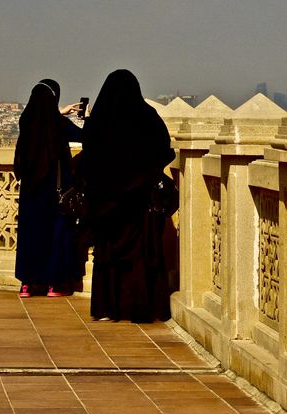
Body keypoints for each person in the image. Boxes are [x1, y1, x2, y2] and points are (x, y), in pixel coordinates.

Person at [82, 69, 175, 322]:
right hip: (138, 200)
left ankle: (107, 307)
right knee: (138, 256)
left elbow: (87, 158)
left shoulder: (99, 121)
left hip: (104, 201)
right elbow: (165, 151)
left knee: (108, 254)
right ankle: (138, 307)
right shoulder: (147, 117)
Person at [14, 79, 85, 298]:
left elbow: (40, 121)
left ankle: (28, 284)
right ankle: (56, 284)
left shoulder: (25, 121)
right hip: (55, 192)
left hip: (30, 193)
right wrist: (85, 117)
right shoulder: (59, 125)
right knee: (56, 235)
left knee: (31, 236)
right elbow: (85, 137)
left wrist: (59, 113)